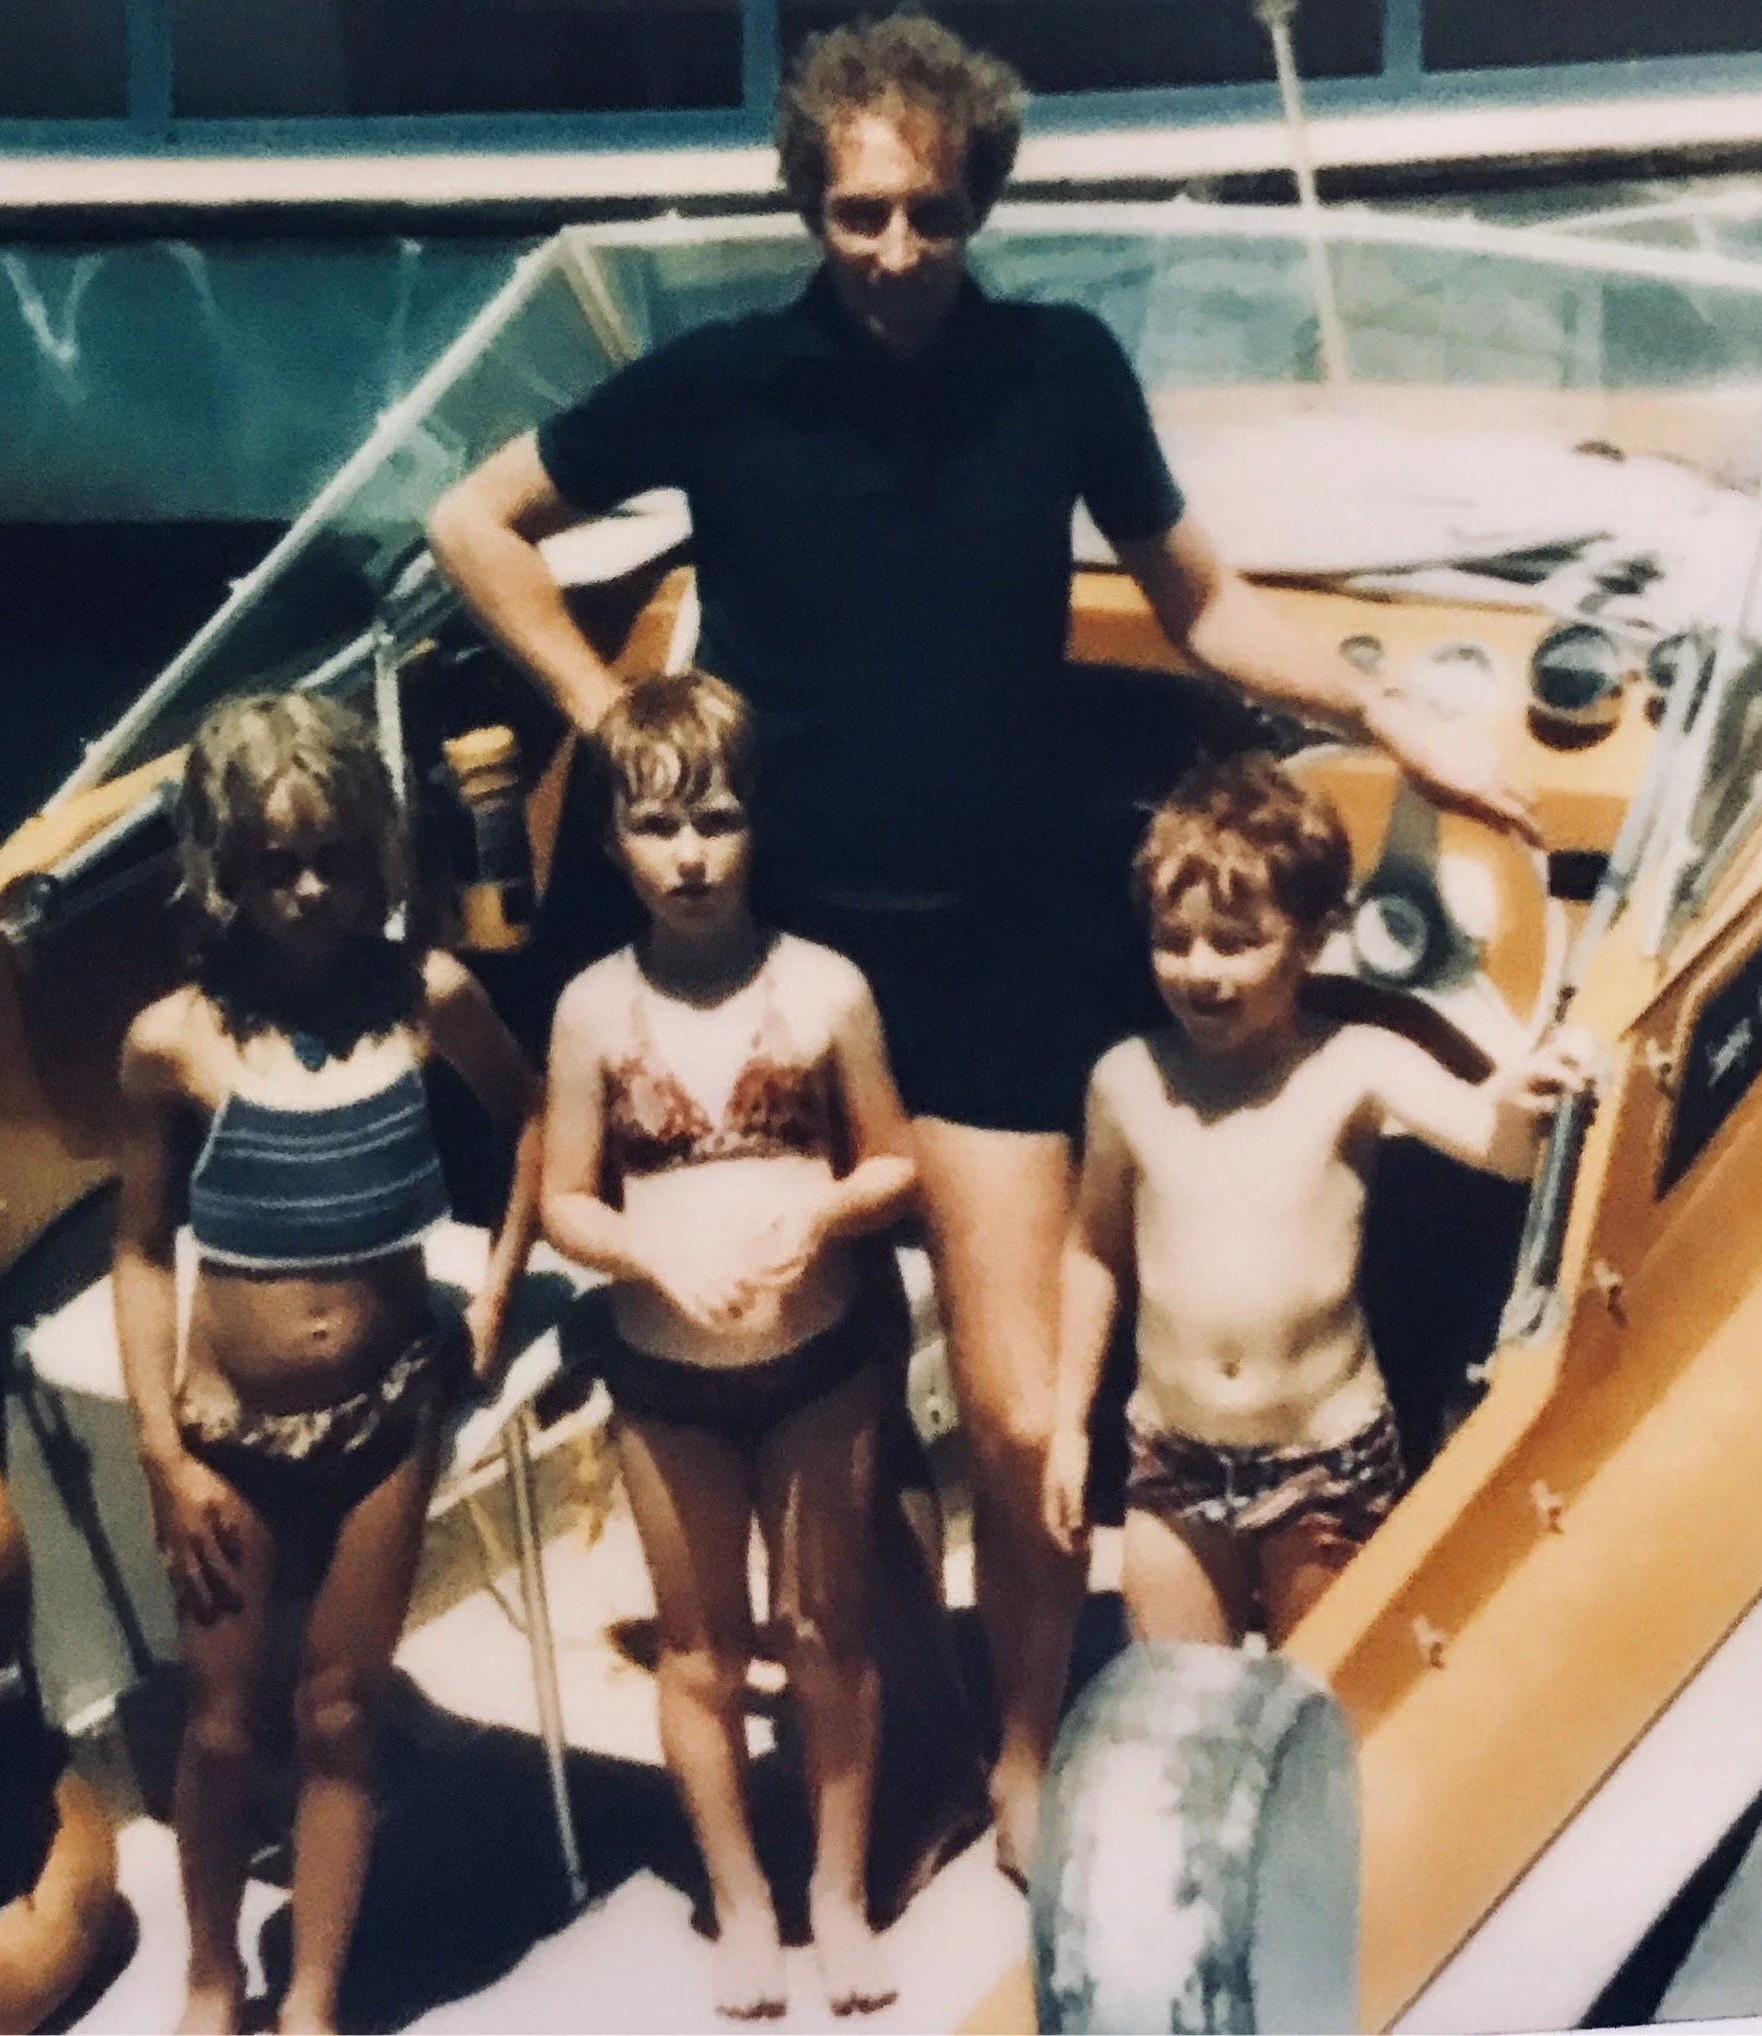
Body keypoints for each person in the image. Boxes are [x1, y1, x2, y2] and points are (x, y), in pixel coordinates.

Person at [428, 11, 1534, 1879]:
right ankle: (920, 1743)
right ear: (810, 201)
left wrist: (1393, 717)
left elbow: (1195, 599)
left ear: (977, 204)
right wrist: (605, 712)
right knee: (830, 1406)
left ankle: (1025, 1750)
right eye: (859, 215)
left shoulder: (1060, 371)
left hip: (1001, 955)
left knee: (1024, 1409)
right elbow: (476, 518)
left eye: (930, 216)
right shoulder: (721, 383)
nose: (892, 255)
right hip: (776, 963)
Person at [113, 690, 542, 2036]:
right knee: (228, 1727)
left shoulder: (433, 998)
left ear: (379, 856)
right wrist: (162, 1452)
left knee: (345, 1711)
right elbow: (137, 1251)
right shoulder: (172, 1040)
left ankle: (311, 1995)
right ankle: (209, 1969)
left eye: (334, 858)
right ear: (221, 868)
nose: (305, 890)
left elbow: (533, 1122)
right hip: (227, 1433)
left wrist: (494, 1299)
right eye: (273, 862)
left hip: (388, 1416)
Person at [541, 670, 916, 2019]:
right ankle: (744, 1903)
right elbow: (564, 1202)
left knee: (829, 1641)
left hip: (820, 1373)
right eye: (654, 828)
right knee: (700, 1657)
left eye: (714, 819)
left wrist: (823, 1212)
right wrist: (653, 1252)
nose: (689, 854)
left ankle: (838, 1893)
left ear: (758, 825)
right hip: (665, 1389)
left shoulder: (826, 990)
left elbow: (894, 1166)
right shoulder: (590, 1009)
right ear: (610, 848)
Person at [1043, 754, 1592, 1644]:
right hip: (1169, 1456)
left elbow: (1501, 1146)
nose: (1199, 970)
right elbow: (1092, 1251)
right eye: (1173, 941)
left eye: (1235, 941)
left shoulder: (1356, 1064)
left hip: (1325, 1457)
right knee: (1186, 1709)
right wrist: (1069, 1427)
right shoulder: (1128, 1080)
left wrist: (1530, 1089)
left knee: (1319, 1696)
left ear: (1309, 940)